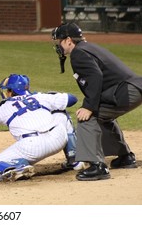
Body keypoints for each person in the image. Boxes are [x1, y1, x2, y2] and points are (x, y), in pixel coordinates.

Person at [51, 22, 142, 181]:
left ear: (68, 40)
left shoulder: (78, 53)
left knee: (87, 117)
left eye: (60, 41)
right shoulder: (88, 47)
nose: (59, 45)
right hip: (132, 88)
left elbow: (95, 76)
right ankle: (125, 157)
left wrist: (89, 106)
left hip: (126, 91)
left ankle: (97, 166)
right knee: (103, 116)